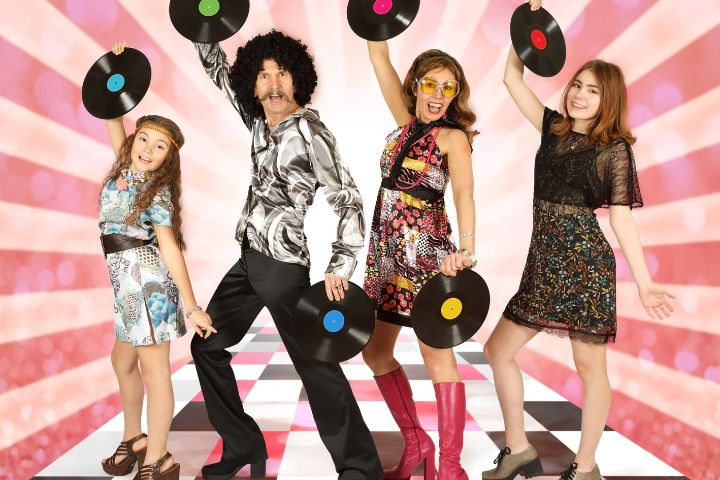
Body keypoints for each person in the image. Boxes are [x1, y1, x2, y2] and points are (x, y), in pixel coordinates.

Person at [481, 3, 676, 479]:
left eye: (593, 90)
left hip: (585, 265)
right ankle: (518, 449)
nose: (580, 95)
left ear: (608, 100)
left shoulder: (614, 150)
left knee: (590, 369)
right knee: (498, 351)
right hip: (542, 264)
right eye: (577, 85)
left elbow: (621, 219)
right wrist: (525, 26)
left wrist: (645, 283)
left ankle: (585, 466)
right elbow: (511, 77)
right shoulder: (552, 128)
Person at [189, 30, 382, 480]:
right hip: (249, 259)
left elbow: (348, 199)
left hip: (282, 267)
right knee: (207, 345)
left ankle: (360, 467)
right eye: (263, 75)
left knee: (316, 366)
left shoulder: (311, 131)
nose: (273, 84)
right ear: (253, 85)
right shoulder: (258, 121)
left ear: (298, 80)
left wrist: (340, 264)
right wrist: (201, 22)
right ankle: (244, 446)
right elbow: (219, 72)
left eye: (282, 74)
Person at [360, 38, 478, 480]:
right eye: (430, 84)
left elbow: (464, 194)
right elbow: (378, 55)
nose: (438, 94)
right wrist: (378, 16)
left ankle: (450, 468)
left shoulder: (453, 138)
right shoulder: (406, 124)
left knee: (437, 359)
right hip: (388, 259)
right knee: (376, 352)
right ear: (415, 86)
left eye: (448, 88)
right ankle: (417, 444)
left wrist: (467, 248)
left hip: (428, 259)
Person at [98, 43, 216, 480]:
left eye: (160, 146)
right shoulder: (123, 170)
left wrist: (192, 306)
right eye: (144, 138)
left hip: (148, 289)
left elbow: (169, 250)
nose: (148, 149)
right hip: (126, 290)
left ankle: (160, 457)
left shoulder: (156, 192)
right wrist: (116, 66)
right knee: (122, 362)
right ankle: (135, 438)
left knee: (154, 372)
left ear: (169, 159)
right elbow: (112, 112)